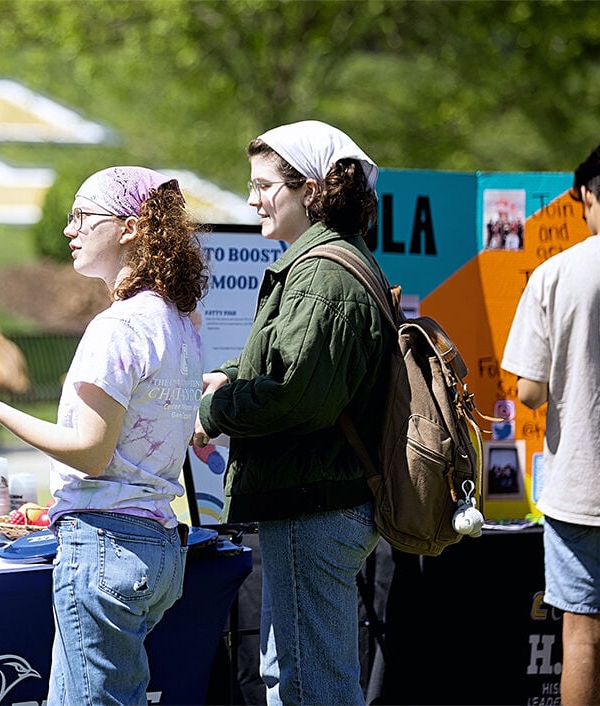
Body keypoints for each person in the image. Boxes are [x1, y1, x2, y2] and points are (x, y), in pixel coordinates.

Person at [0, 166, 207, 706]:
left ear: (130, 228)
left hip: (107, 547)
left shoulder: (118, 326)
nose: (69, 229)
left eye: (83, 216)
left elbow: (89, 451)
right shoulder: (180, 320)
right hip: (156, 547)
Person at [193, 120, 389, 705]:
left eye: (262, 184)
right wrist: (230, 378)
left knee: (310, 688)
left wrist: (217, 407)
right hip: (315, 501)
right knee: (294, 679)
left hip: (315, 505)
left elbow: (295, 395)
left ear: (310, 189)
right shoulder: (325, 264)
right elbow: (293, 366)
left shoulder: (321, 274)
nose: (251, 198)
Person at [501, 142, 600, 706]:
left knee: (580, 638)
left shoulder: (553, 274)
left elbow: (528, 391)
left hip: (579, 486)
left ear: (588, 196)